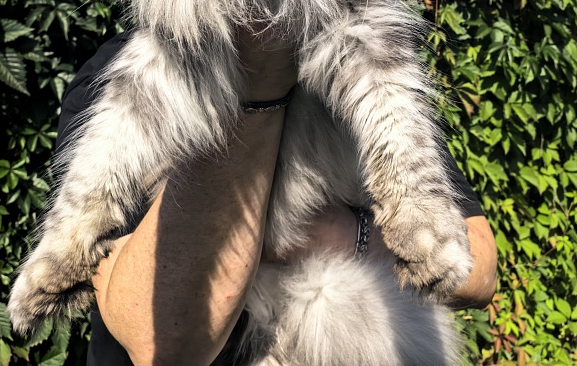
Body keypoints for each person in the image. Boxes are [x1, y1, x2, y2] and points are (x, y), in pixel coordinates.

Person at [57, 29, 497, 366]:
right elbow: (159, 341)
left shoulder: (367, 60)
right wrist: (256, 83)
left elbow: (479, 271)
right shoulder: (116, 79)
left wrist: (343, 234)